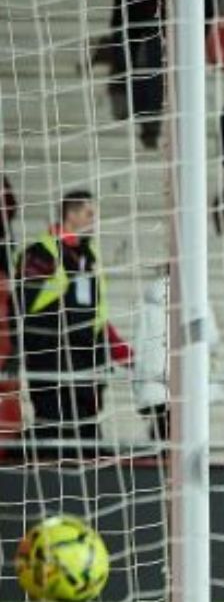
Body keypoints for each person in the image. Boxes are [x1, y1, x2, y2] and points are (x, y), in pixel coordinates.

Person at [12, 190, 132, 453]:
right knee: (53, 426)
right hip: (51, 353)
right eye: (89, 213)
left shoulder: (91, 255)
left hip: (88, 355)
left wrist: (118, 349)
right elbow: (23, 305)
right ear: (72, 214)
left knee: (87, 428)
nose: (94, 220)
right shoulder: (40, 252)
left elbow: (98, 312)